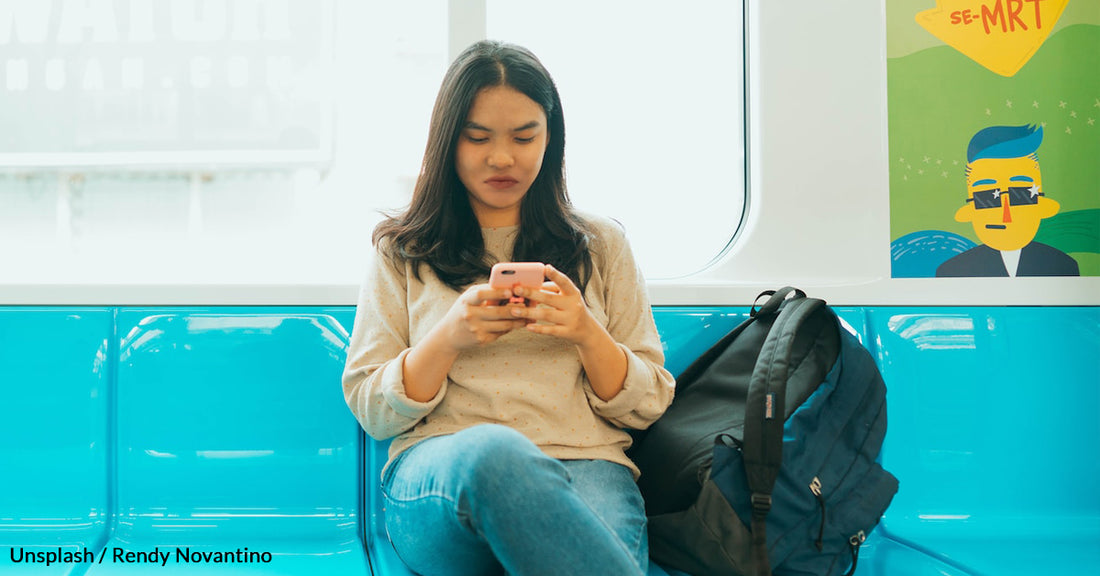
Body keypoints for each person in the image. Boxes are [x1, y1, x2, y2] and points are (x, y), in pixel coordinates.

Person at [342, 40, 675, 576]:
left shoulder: (602, 245)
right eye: (478, 138)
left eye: (525, 137)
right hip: (441, 479)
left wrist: (587, 333)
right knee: (496, 454)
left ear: (551, 138)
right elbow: (373, 410)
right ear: (448, 142)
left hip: (585, 467)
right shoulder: (402, 250)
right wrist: (449, 336)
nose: (502, 158)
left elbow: (648, 404)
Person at [936, 124, 1079, 277]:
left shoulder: (1064, 266)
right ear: (969, 210)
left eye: (1021, 194)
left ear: (1043, 205)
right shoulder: (952, 271)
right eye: (988, 197)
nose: (1006, 215)